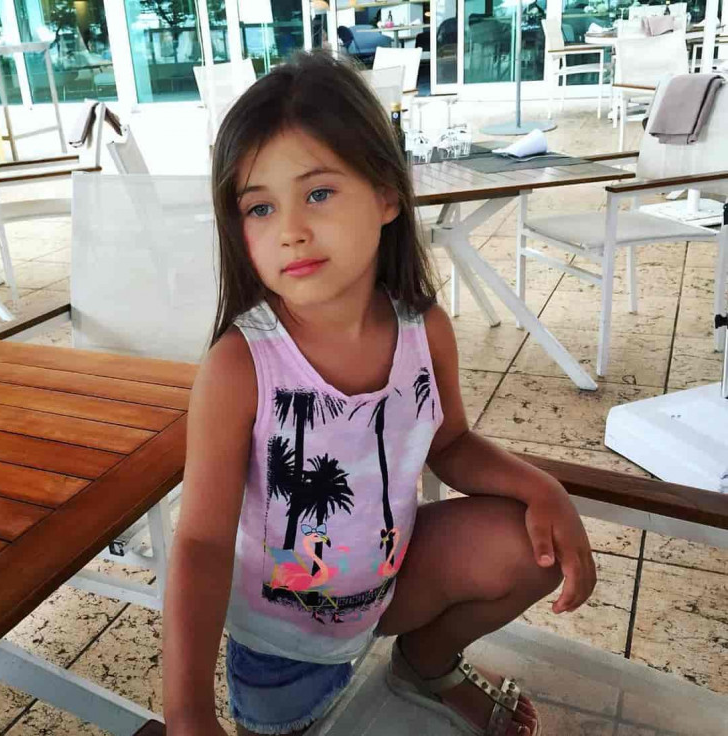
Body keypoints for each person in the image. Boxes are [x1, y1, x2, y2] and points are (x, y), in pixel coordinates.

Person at [163, 51, 597, 736]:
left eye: (318, 193)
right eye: (260, 207)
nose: (290, 230)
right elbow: (201, 544)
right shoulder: (241, 365)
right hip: (281, 647)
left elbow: (450, 443)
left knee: (532, 546)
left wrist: (542, 488)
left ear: (387, 195)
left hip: (394, 589)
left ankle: (426, 663)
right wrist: (187, 711)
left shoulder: (424, 330)